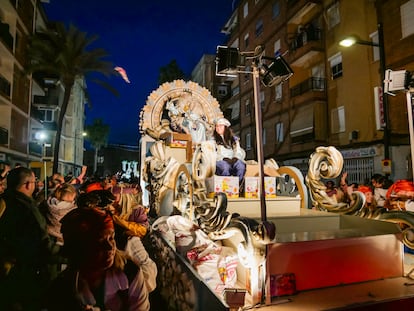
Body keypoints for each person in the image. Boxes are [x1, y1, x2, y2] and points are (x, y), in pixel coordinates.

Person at [45, 207, 150, 311]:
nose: (110, 247)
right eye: (100, 241)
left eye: (111, 238)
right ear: (81, 248)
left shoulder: (130, 272)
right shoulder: (62, 290)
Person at [0, 167, 55, 311]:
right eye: (34, 181)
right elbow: (41, 244)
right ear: (28, 184)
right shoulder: (27, 209)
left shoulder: (3, 202)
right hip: (23, 274)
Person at [212, 118, 246, 183]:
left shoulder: (234, 140)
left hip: (233, 160)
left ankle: (238, 185)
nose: (218, 128)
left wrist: (235, 158)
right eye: (217, 126)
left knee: (241, 165)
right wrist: (223, 158)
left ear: (226, 127)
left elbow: (238, 151)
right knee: (225, 166)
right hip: (220, 161)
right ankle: (227, 186)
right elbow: (212, 153)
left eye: (220, 126)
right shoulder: (213, 140)